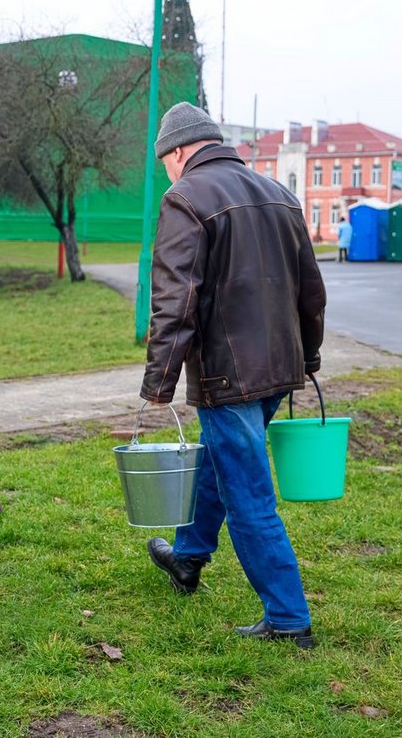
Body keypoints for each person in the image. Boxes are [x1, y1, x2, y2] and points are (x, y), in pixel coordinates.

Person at [140, 102, 327, 649]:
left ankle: (289, 619)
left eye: (165, 162)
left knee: (249, 494)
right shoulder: (279, 193)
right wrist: (308, 357)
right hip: (279, 367)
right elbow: (311, 292)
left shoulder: (185, 198)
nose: (167, 173)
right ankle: (188, 558)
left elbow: (175, 301)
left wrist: (158, 384)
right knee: (221, 460)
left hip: (228, 375)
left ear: (176, 152)